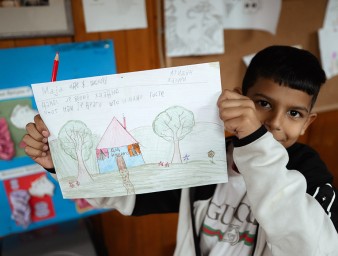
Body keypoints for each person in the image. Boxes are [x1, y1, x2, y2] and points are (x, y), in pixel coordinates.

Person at [24, 45, 338, 255]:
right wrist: (61, 165)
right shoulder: (205, 155)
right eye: (263, 104)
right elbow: (130, 193)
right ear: (241, 99)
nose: (274, 123)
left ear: (307, 123)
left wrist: (256, 143)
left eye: (293, 113)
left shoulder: (308, 172)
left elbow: (314, 248)